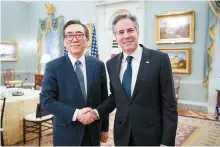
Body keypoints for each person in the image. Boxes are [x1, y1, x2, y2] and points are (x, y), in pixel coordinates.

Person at [85, 13, 178, 146]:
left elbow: (169, 104)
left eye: (130, 30)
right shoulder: (111, 64)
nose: (126, 36)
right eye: (120, 32)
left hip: (151, 135)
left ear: (138, 32)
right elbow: (115, 98)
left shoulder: (159, 60)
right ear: (115, 37)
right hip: (122, 134)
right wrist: (96, 112)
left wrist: (167, 143)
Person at [40, 20, 109, 146]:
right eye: (70, 35)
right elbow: (47, 101)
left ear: (87, 40)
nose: (75, 39)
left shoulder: (98, 65)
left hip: (92, 131)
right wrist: (76, 114)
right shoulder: (53, 66)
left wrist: (104, 128)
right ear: (64, 40)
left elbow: (104, 99)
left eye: (79, 34)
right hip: (66, 133)